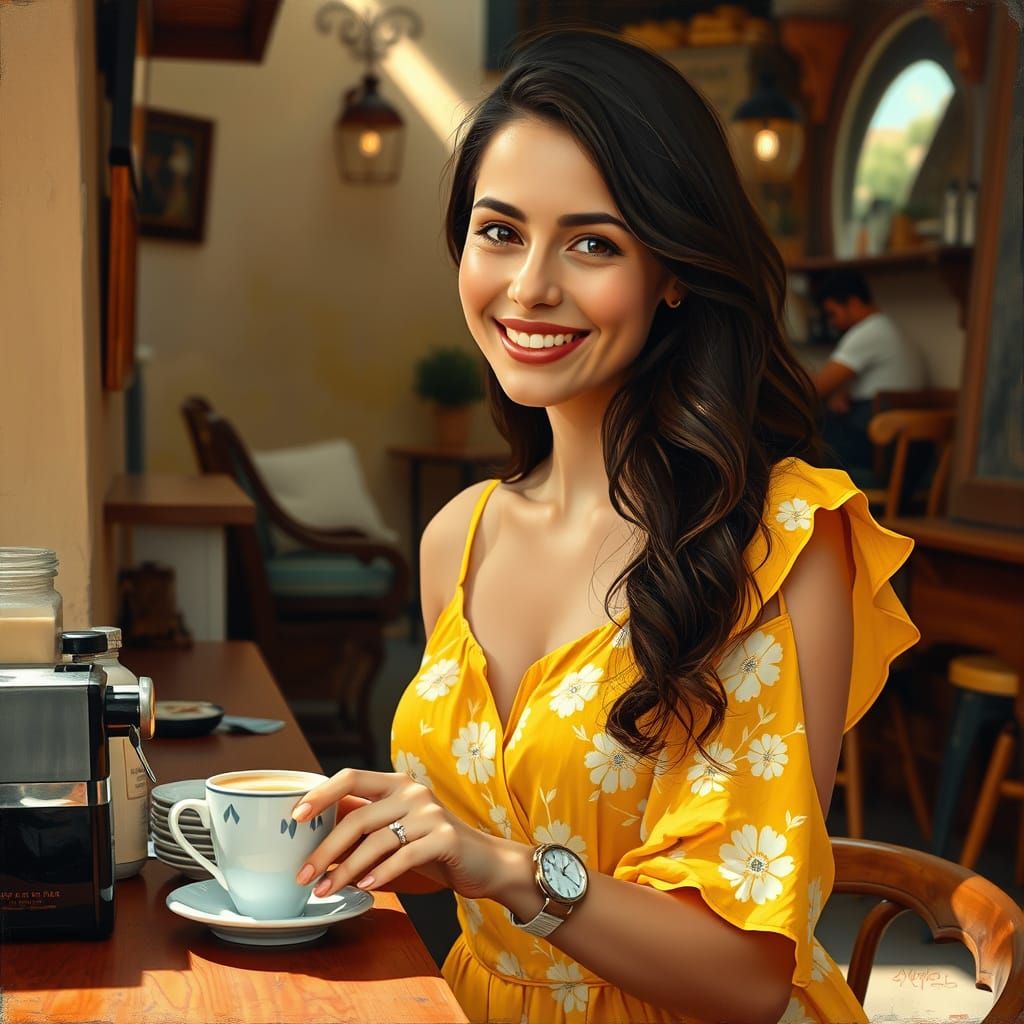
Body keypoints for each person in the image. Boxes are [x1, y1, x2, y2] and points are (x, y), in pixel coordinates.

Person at [290, 29, 919, 1023]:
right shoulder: (458, 537)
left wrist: (498, 866)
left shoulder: (780, 541)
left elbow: (748, 976)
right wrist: (420, 837)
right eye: (499, 232)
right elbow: (501, 842)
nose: (531, 285)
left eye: (591, 243)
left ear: (673, 270)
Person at [812, 270, 927, 480]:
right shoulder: (889, 328)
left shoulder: (868, 332)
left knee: (800, 428)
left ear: (854, 303)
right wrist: (840, 394)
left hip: (879, 447)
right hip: (903, 449)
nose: (832, 323)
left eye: (832, 313)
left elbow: (816, 387)